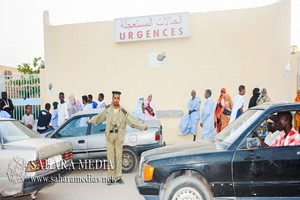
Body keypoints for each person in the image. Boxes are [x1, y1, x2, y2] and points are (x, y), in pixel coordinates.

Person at [87, 91, 148, 185]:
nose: (116, 100)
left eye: (118, 98)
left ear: (119, 99)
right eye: (114, 98)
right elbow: (99, 117)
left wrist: (142, 127)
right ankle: (110, 178)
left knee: (119, 157)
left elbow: (132, 120)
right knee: (110, 157)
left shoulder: (123, 111)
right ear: (112, 98)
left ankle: (118, 177)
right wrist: (90, 121)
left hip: (119, 137)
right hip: (110, 137)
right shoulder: (107, 109)